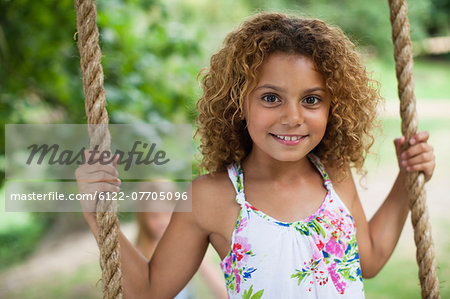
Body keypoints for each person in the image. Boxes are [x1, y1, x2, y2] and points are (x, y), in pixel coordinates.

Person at [76, 12, 436, 298]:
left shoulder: (334, 174)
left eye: (311, 99)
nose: (292, 117)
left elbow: (367, 260)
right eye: (270, 97)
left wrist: (407, 181)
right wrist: (97, 215)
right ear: (239, 103)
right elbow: (151, 291)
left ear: (332, 107)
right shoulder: (210, 197)